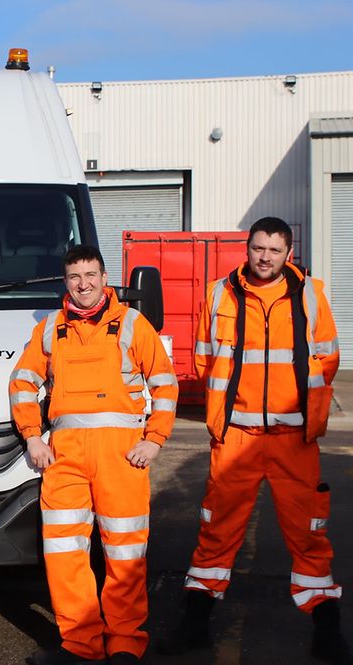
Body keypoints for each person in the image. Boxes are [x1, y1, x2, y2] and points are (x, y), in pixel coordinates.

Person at [158, 217, 351, 664]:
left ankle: (326, 627)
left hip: (293, 440)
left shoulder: (311, 295)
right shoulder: (219, 294)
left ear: (289, 254)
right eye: (258, 248)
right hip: (237, 439)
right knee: (215, 534)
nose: (265, 257)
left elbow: (328, 357)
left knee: (309, 535)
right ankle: (195, 625)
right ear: (248, 248)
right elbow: (206, 359)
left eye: (275, 250)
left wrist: (298, 408)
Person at [9, 244, 178, 665]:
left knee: (124, 552)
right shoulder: (50, 329)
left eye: (91, 275)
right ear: (65, 283)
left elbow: (166, 386)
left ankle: (124, 644)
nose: (83, 285)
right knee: (64, 554)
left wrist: (154, 440)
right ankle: (79, 646)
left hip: (122, 455)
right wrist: (33, 437)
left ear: (104, 278)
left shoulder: (133, 325)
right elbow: (22, 383)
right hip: (63, 455)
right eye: (74, 277)